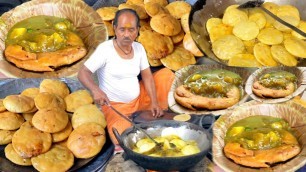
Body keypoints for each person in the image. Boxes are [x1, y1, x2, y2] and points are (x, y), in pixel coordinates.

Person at [78, 9, 175, 149]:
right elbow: (83, 72)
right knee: (121, 135)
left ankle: (149, 112)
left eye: (131, 30)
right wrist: (95, 90)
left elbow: (147, 75)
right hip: (116, 107)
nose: (126, 35)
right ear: (114, 27)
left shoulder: (139, 47)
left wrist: (154, 101)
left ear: (137, 30)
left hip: (140, 97)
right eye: (122, 29)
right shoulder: (105, 49)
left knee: (166, 75)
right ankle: (146, 119)